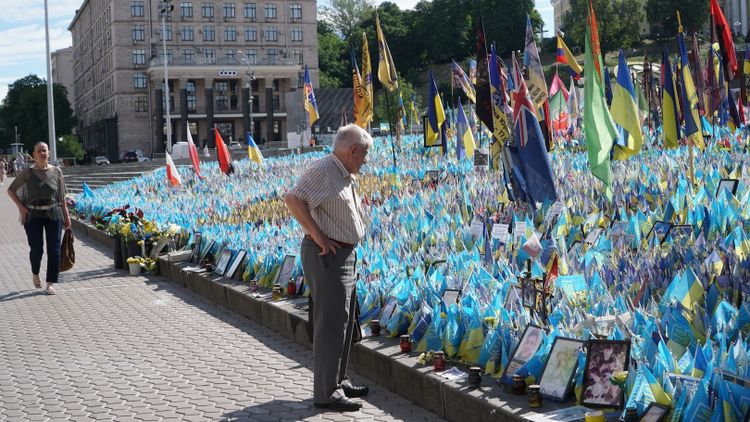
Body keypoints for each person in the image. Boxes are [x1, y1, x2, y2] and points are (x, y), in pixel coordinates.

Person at [284, 124, 372, 412]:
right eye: (364, 154)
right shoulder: (324, 169)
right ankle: (326, 392)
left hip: (343, 255)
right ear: (352, 151)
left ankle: (338, 380)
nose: (366, 160)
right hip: (328, 255)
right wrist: (317, 234)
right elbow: (293, 199)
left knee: (344, 324)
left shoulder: (343, 173)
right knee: (330, 325)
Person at [7, 142, 72, 295]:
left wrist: (66, 217)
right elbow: (11, 191)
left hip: (54, 214)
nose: (42, 153)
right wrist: (21, 208)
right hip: (33, 215)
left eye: (44, 151)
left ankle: (50, 282)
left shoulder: (56, 172)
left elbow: (62, 197)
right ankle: (35, 272)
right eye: (39, 151)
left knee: (54, 250)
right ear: (34, 154)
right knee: (37, 249)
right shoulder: (27, 172)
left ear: (49, 153)